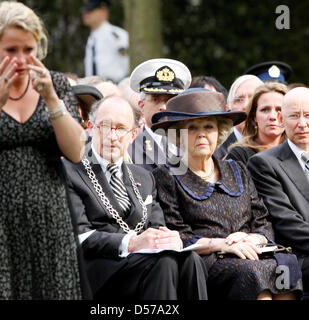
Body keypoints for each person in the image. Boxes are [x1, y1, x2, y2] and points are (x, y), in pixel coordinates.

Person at [0, 1, 87, 299]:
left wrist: (53, 100)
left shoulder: (56, 85)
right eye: (11, 50)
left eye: (28, 50)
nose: (21, 59)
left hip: (49, 219)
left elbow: (76, 152)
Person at [151, 89, 302, 300]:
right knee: (252, 272)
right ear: (178, 134)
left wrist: (252, 238)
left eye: (208, 127)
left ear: (219, 132)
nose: (202, 134)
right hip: (207, 259)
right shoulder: (166, 174)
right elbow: (176, 233)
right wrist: (223, 244)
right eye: (192, 127)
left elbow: (262, 218)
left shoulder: (237, 168)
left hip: (252, 251)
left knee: (285, 264)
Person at [63, 95, 208, 300]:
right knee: (164, 263)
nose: (112, 136)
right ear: (90, 128)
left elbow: (157, 227)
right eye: (105, 126)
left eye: (121, 128)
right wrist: (130, 243)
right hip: (100, 269)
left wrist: (168, 238)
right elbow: (79, 236)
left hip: (142, 264)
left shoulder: (144, 177)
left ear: (133, 134)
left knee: (191, 260)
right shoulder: (70, 172)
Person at [247, 86, 309, 292]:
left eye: (308, 115)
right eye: (294, 116)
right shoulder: (264, 163)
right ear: (282, 120)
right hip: (298, 257)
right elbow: (287, 222)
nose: (302, 123)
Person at [128, 58, 191, 171]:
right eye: (156, 99)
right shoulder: (131, 147)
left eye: (170, 100)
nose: (164, 107)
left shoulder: (192, 142)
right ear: (142, 105)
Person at [226, 82, 288, 165]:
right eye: (265, 110)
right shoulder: (239, 155)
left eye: (279, 110)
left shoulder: (296, 151)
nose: (272, 116)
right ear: (254, 116)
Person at [214, 75, 263, 159]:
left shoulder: (278, 146)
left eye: (253, 99)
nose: (246, 105)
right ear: (228, 109)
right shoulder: (217, 152)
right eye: (239, 100)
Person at [82, 0, 129, 83]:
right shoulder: (91, 39)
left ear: (103, 12)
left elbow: (126, 63)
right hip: (93, 87)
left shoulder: (116, 35)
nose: (86, 14)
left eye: (90, 10)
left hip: (115, 86)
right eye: (85, 10)